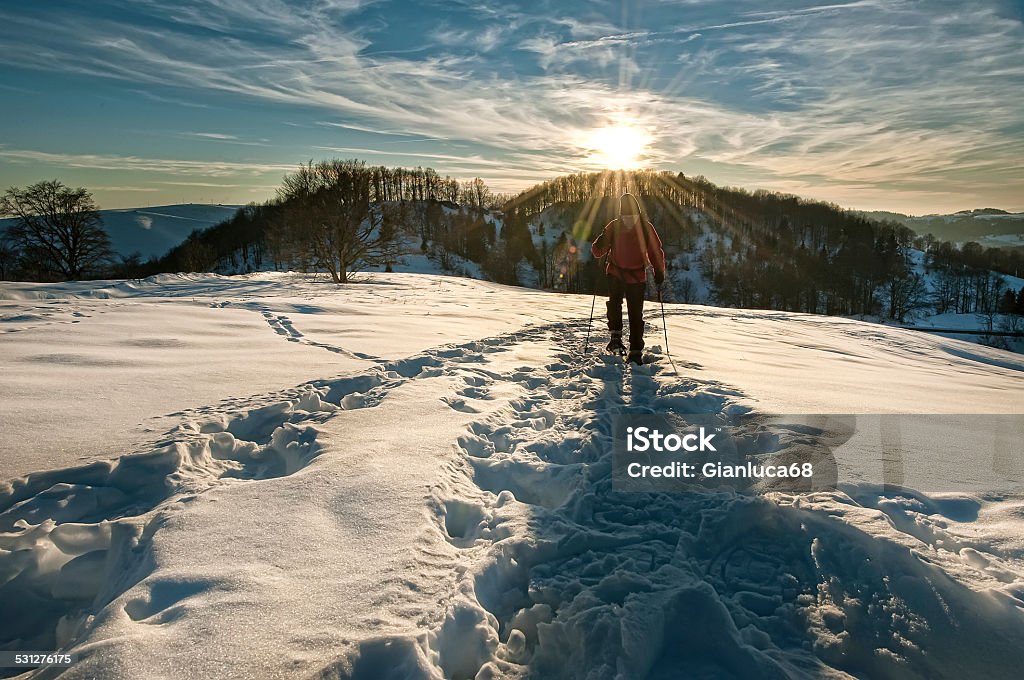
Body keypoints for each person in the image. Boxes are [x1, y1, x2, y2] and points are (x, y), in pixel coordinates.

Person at [591, 193, 667, 364]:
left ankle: (626, 343)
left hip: (626, 274)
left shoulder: (628, 227)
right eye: (626, 216)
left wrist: (659, 272)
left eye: (631, 216)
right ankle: (626, 344)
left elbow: (597, 252)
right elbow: (597, 252)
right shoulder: (628, 227)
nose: (628, 220)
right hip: (626, 274)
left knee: (625, 309)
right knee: (625, 309)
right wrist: (659, 271)